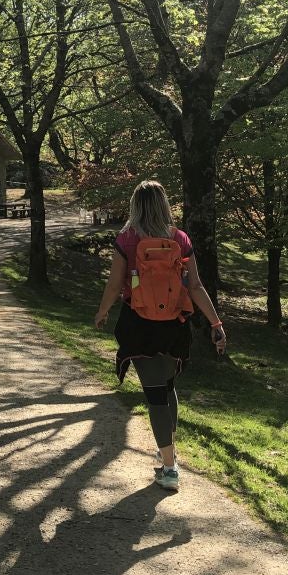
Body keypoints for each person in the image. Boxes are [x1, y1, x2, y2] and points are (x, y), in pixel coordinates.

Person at [93, 180, 227, 492]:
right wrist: (215, 323)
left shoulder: (127, 239)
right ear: (164, 205)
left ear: (135, 205)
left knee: (154, 396)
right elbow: (195, 286)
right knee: (167, 387)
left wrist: (102, 312)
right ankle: (168, 451)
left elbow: (114, 285)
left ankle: (169, 468)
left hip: (139, 324)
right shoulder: (180, 238)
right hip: (174, 324)